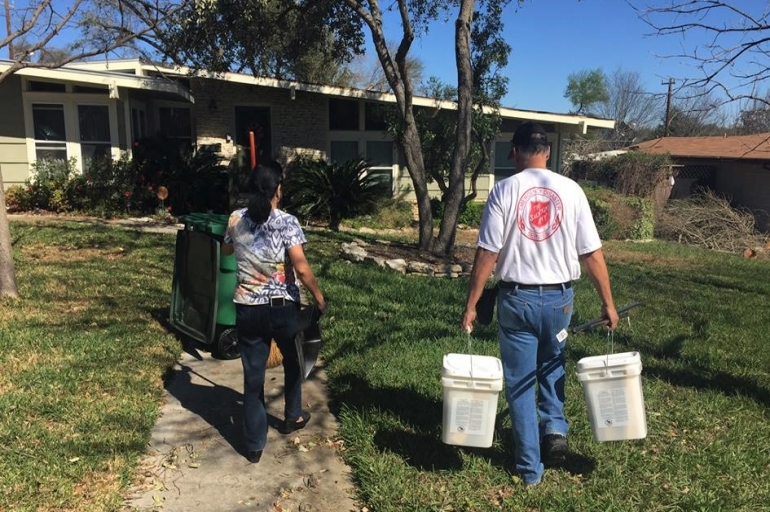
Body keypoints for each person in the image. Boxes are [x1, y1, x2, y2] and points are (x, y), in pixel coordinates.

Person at [461, 122, 619, 487]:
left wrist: (471, 304)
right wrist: (608, 303)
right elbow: (592, 253)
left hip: (517, 300)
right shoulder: (572, 190)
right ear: (548, 152)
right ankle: (555, 429)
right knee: (552, 364)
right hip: (561, 301)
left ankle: (531, 469)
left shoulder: (504, 191)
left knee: (520, 383)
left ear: (514, 152)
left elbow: (488, 253)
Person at [222, 160, 327, 464]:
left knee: (252, 376)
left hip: (247, 309)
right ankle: (292, 415)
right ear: (277, 188)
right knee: (294, 360)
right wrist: (319, 298)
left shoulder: (235, 219)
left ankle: (254, 445)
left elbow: (226, 250)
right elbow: (302, 268)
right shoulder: (286, 221)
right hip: (282, 310)